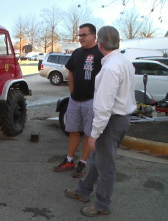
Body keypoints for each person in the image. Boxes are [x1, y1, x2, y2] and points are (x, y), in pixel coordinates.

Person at [64, 26, 137, 217]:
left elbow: (104, 106)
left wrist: (94, 134)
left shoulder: (110, 68)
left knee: (106, 166)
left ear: (100, 44)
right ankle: (83, 191)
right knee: (98, 160)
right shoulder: (124, 62)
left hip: (112, 121)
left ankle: (102, 204)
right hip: (121, 120)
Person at [53, 23, 103, 178]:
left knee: (88, 133)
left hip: (91, 101)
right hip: (75, 100)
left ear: (94, 36)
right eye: (79, 35)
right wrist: (72, 92)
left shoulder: (100, 54)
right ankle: (69, 160)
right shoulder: (77, 53)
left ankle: (82, 163)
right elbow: (71, 73)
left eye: (84, 35)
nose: (81, 38)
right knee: (72, 130)